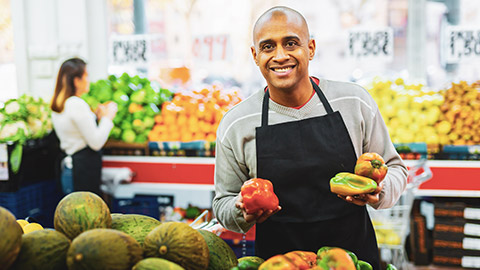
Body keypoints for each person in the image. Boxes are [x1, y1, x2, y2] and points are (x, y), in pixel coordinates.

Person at [212, 6, 408, 268]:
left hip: (353, 260)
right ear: (255, 55)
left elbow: (395, 168)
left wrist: (379, 192)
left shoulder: (353, 101)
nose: (280, 56)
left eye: (291, 43)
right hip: (278, 263)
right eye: (268, 47)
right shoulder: (236, 123)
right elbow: (223, 203)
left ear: (311, 48)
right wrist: (242, 209)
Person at [50, 58, 117, 196]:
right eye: (86, 75)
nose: (89, 80)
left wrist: (97, 117)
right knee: (84, 215)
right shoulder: (76, 103)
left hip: (71, 168)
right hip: (81, 170)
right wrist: (107, 117)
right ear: (76, 80)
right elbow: (96, 142)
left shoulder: (60, 103)